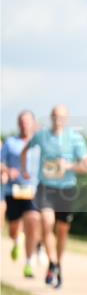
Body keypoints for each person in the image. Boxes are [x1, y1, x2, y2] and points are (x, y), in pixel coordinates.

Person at [21, 105, 87, 289]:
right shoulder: (42, 136)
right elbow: (25, 149)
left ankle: (58, 265)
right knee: (46, 223)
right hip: (45, 187)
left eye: (61, 117)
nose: (57, 120)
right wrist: (24, 170)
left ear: (66, 119)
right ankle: (52, 262)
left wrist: (68, 166)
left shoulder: (75, 138)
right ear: (51, 117)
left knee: (62, 231)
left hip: (66, 189)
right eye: (54, 116)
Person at [1, 111, 42, 277]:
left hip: (32, 192)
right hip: (13, 191)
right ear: (19, 124)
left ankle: (28, 262)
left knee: (33, 220)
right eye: (22, 122)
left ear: (33, 123)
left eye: (28, 122)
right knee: (13, 229)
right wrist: (7, 170)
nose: (25, 125)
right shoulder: (10, 143)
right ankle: (17, 240)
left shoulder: (39, 144)